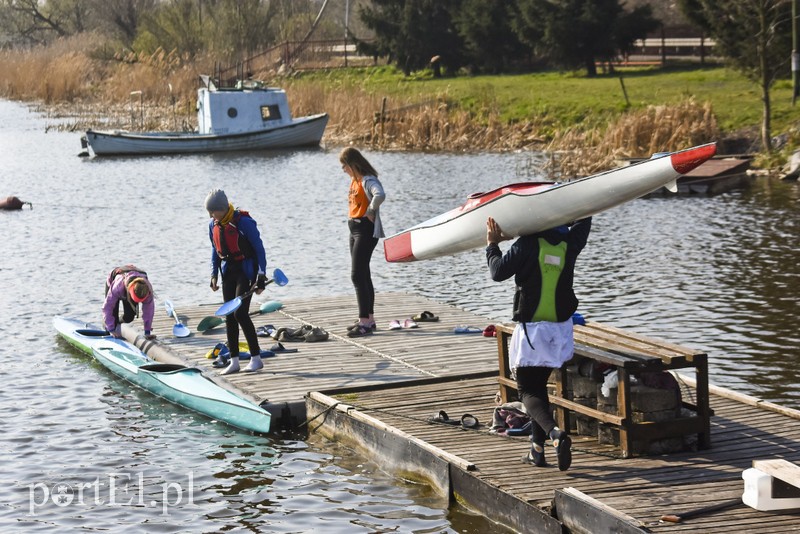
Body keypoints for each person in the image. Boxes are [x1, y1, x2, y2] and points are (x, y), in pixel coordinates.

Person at [486, 215, 592, 471]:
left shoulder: (528, 243)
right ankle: (537, 451)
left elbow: (497, 272)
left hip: (533, 331)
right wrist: (577, 203)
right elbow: (585, 217)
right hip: (560, 329)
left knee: (527, 392)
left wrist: (492, 243)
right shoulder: (570, 241)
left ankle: (555, 435)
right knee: (539, 387)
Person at [205, 189, 268, 374]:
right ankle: (234, 361)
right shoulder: (213, 225)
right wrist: (213, 274)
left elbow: (259, 249)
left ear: (223, 209)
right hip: (229, 271)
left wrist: (261, 276)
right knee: (229, 316)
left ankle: (256, 358)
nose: (210, 215)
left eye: (213, 211)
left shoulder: (244, 223)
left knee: (240, 314)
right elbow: (214, 250)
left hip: (246, 271)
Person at [340, 147, 386, 338]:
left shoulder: (368, 180)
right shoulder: (354, 180)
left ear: (353, 164)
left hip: (365, 231)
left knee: (357, 275)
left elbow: (380, 194)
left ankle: (364, 323)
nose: (343, 169)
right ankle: (368, 319)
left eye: (344, 165)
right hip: (354, 230)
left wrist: (370, 210)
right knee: (364, 274)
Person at [102, 265, 156, 340]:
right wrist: (111, 329)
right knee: (113, 319)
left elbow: (149, 312)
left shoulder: (148, 291)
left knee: (129, 317)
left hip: (131, 287)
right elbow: (107, 307)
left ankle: (118, 325)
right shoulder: (118, 287)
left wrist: (147, 331)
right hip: (114, 281)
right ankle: (108, 327)